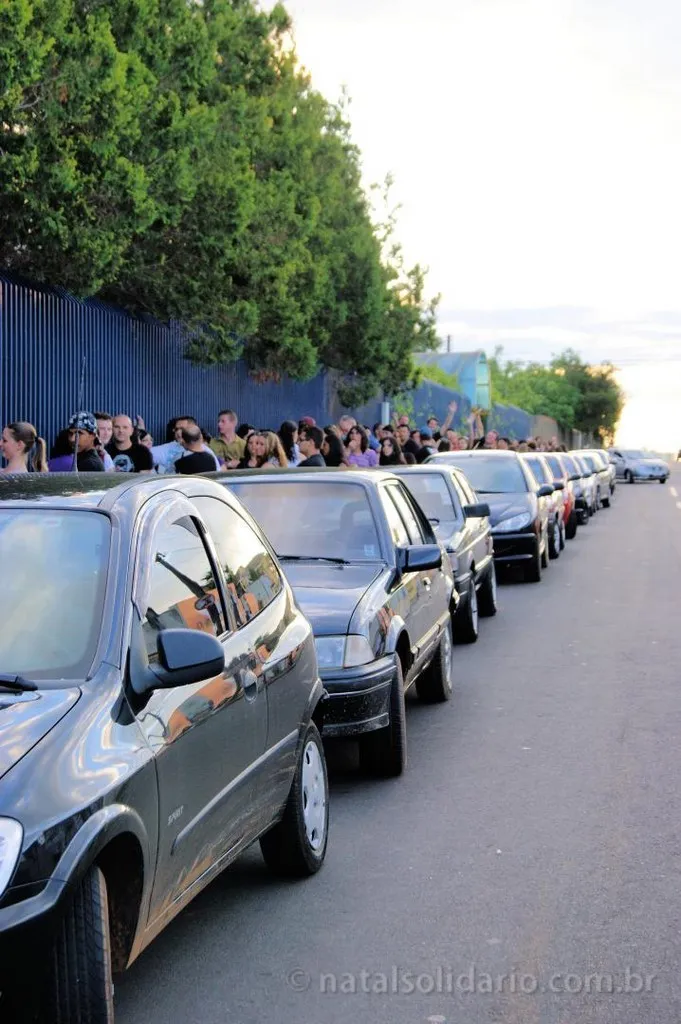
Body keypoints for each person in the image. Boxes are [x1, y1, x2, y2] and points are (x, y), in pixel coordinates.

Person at [151, 417, 220, 474]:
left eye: (182, 429)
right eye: (176, 429)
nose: (178, 432)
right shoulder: (169, 447)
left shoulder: (208, 453)